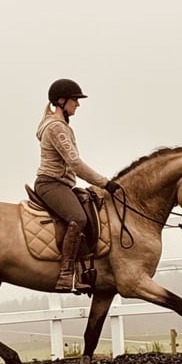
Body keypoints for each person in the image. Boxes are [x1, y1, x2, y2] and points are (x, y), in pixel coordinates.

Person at [34, 78, 121, 292]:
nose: (78, 105)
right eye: (75, 100)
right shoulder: (56, 128)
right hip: (51, 184)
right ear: (61, 101)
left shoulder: (60, 126)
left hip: (62, 184)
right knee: (79, 218)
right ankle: (66, 275)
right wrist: (105, 183)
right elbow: (75, 163)